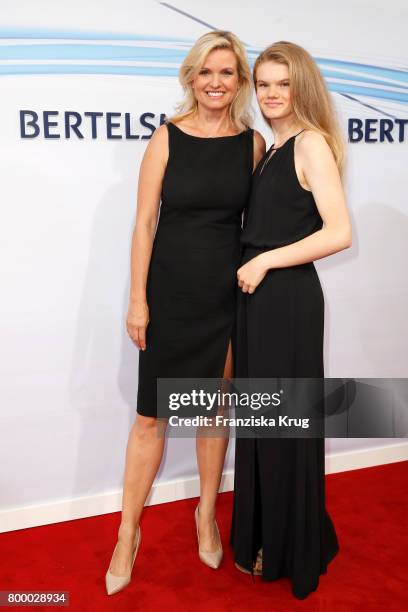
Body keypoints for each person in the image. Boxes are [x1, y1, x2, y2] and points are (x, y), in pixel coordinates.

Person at [105, 30, 266, 595]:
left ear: (240, 81)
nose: (216, 82)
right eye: (206, 72)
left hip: (225, 298)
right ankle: (128, 532)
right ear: (190, 78)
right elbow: (145, 222)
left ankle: (204, 513)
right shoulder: (166, 137)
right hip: (170, 297)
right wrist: (137, 299)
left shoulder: (252, 145)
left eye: (227, 72)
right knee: (151, 416)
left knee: (214, 411)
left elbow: (260, 226)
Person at [230, 41, 352, 600]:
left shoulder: (312, 145)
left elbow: (338, 232)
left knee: (283, 427)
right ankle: (266, 537)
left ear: (301, 86)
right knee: (262, 424)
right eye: (264, 84)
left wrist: (266, 259)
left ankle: (286, 546)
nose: (272, 94)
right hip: (258, 300)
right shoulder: (274, 148)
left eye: (282, 84)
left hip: (288, 301)